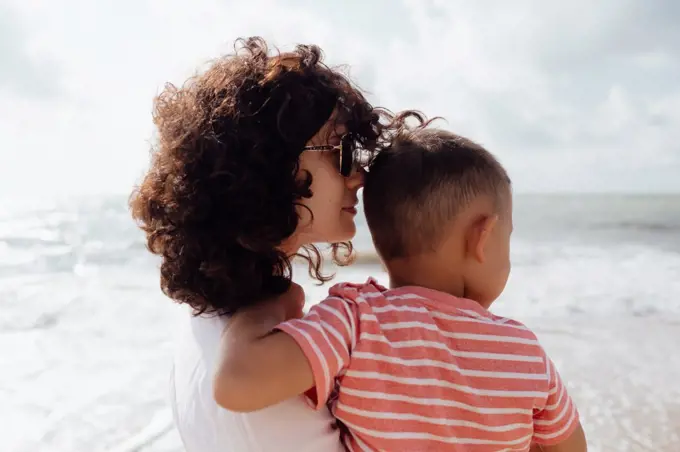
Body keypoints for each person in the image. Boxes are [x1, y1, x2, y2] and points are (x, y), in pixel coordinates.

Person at [213, 127, 588, 451]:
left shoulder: (356, 321)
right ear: (482, 237)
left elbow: (237, 384)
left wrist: (269, 304)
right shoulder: (525, 354)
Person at [129, 36, 412, 451]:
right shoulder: (261, 379)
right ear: (271, 164)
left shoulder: (208, 324)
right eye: (340, 151)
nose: (359, 176)